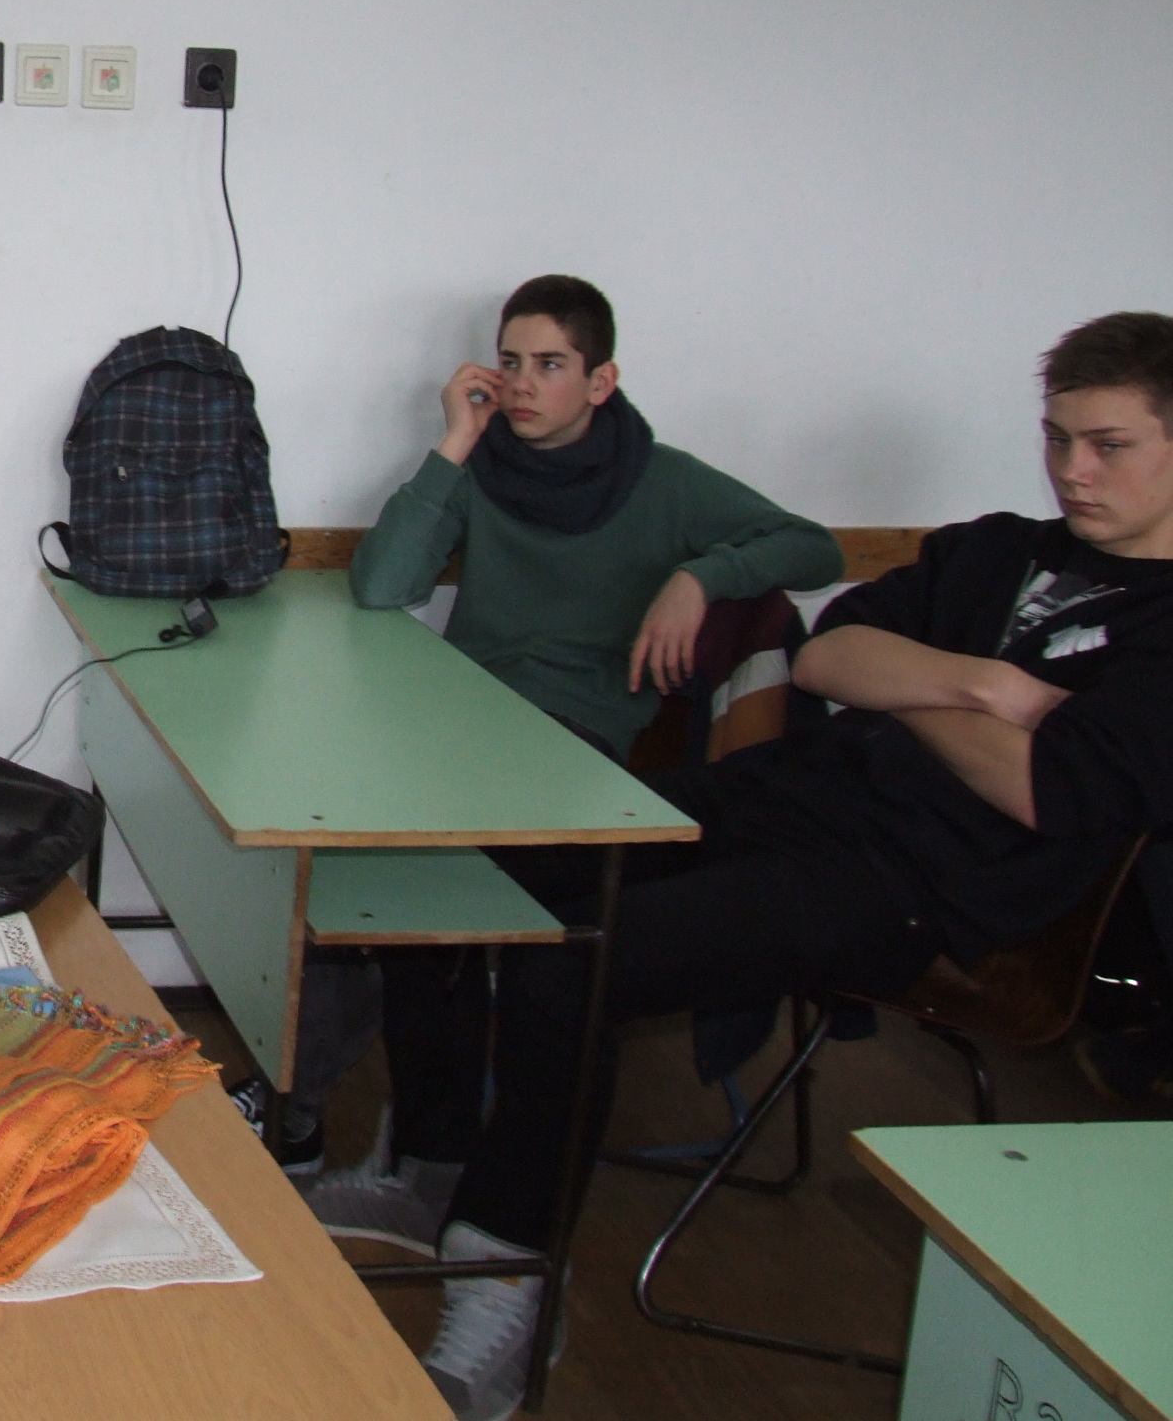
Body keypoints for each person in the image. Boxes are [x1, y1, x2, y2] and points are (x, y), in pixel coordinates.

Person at [355, 311, 1173, 1421]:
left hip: (919, 887)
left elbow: (1043, 791)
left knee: (571, 965)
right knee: (450, 870)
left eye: (1109, 446)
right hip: (790, 798)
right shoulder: (997, 548)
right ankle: (435, 1167)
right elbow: (829, 655)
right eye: (1058, 438)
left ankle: (509, 1288)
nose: (1072, 471)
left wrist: (908, 685)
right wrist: (982, 688)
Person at [262, 278, 840, 1186]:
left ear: (601, 381)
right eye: (510, 362)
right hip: (458, 725)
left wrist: (702, 576)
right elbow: (380, 587)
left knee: (426, 884)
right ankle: (359, 1124)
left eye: (550, 365)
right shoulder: (484, 469)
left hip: (572, 749)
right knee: (333, 847)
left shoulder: (664, 481)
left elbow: (815, 547)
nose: (523, 384)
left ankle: (425, 1154)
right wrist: (455, 441)